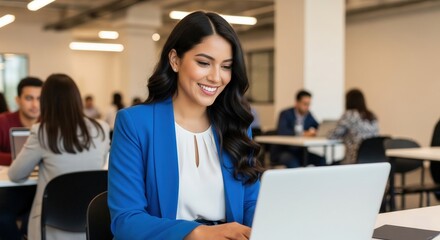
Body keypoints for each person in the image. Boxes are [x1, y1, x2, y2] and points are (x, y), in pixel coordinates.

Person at [108, 11, 263, 240]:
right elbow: (126, 220)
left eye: (226, 66)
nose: (216, 77)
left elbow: (250, 202)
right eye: (204, 63)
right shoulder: (135, 124)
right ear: (175, 60)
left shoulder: (235, 124)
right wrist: (198, 233)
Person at [8, 73, 110, 240]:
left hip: (50, 224)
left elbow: (16, 174)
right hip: (89, 220)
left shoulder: (42, 131)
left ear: (46, 101)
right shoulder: (102, 128)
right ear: (77, 98)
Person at [270, 90, 325, 168]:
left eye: (309, 104)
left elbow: (318, 127)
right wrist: (302, 133)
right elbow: (282, 131)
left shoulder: (308, 115)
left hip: (300, 151)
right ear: (297, 103)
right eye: (305, 104)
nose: (307, 107)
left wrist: (316, 132)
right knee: (293, 162)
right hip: (284, 151)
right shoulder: (285, 114)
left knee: (321, 160)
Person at [328, 89, 379, 164]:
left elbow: (332, 135)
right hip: (373, 159)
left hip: (354, 160)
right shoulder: (371, 115)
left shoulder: (349, 115)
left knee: (328, 165)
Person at [0, 76, 43, 166]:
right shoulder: (3, 121)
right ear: (18, 100)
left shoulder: (49, 123)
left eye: (39, 99)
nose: (35, 104)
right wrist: (25, 160)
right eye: (29, 98)